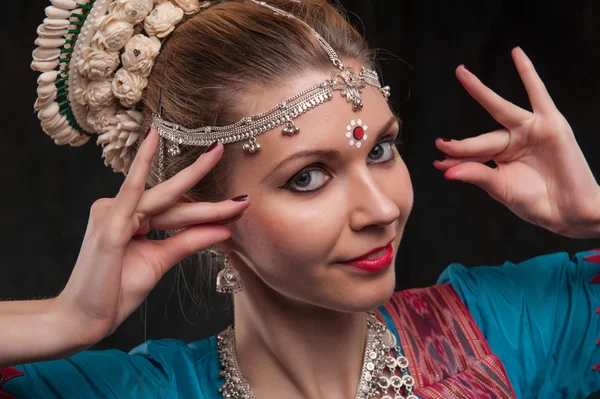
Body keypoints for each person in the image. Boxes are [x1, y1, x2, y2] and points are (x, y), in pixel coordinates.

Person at [2, 0, 600, 397]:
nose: (382, 210)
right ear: (201, 209)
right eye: (308, 177)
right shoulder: (137, 391)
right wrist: (68, 320)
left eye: (381, 150)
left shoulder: (505, 331)